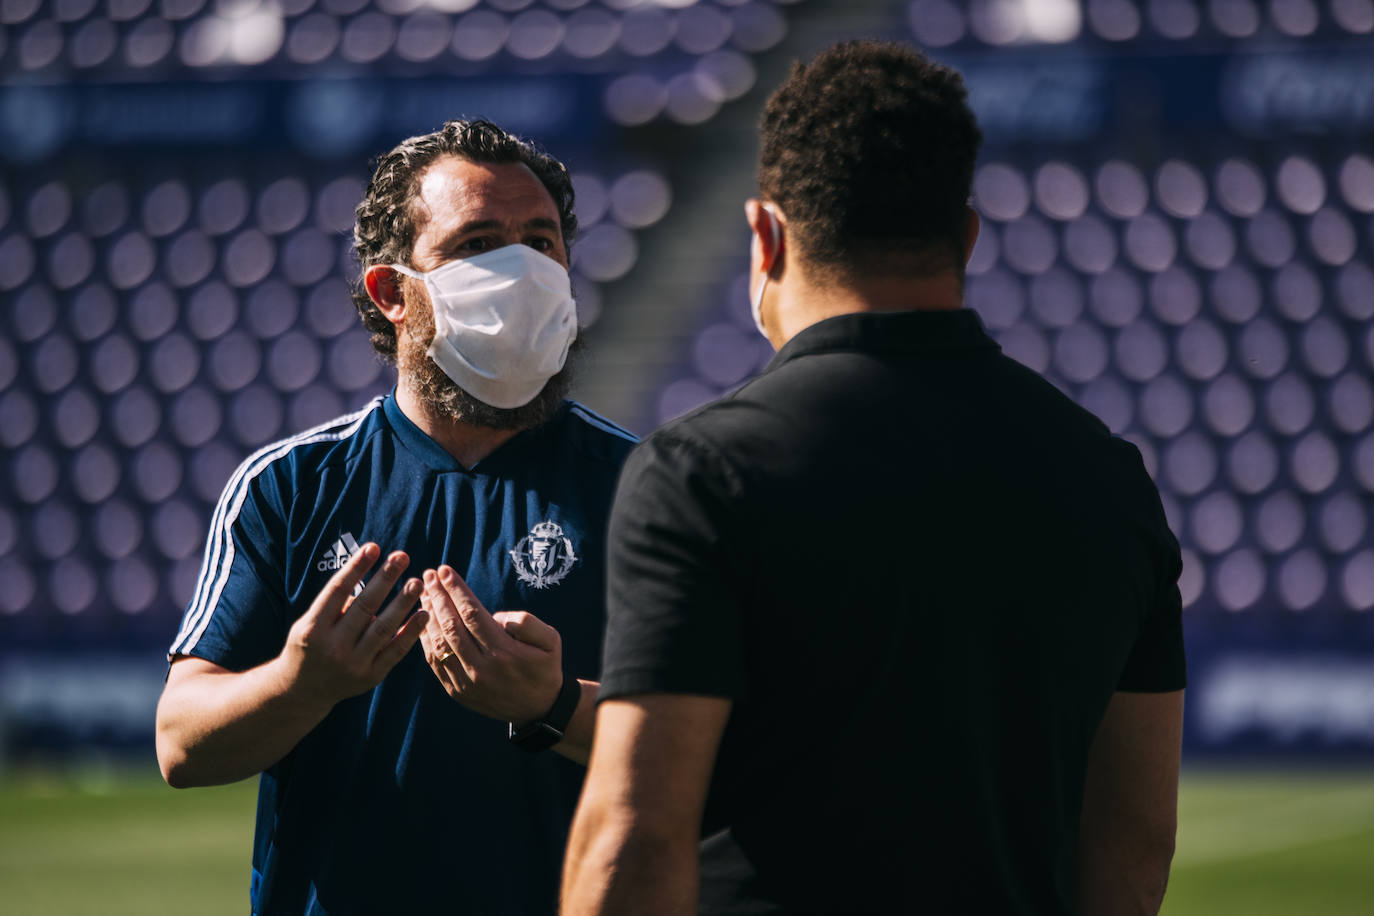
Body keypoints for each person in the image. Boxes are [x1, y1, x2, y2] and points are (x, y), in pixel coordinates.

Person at [562, 41, 1185, 916]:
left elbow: (635, 834)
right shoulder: (1110, 478)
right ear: (965, 234)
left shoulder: (703, 474)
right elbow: (1135, 842)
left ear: (766, 236)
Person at [155, 119, 636, 915]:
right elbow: (180, 744)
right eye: (478, 243)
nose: (520, 270)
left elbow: (721, 745)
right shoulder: (290, 485)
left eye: (541, 242)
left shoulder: (645, 484)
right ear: (393, 294)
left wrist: (554, 706)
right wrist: (301, 684)